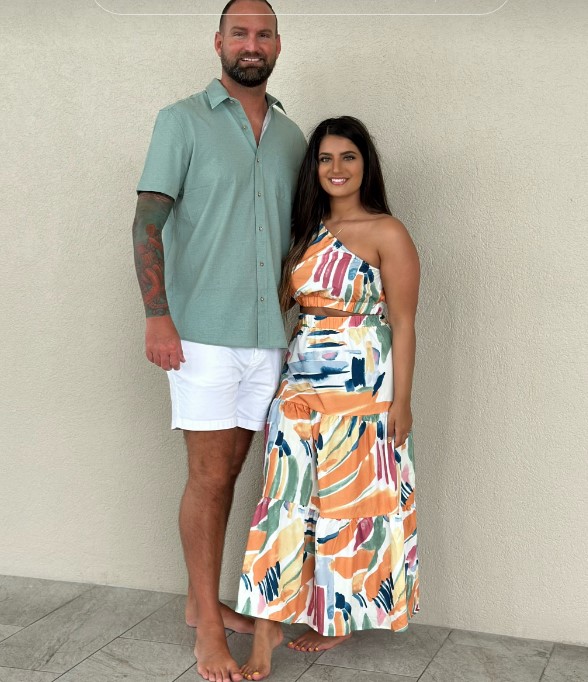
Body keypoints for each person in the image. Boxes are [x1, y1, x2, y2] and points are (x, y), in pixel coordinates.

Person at [131, 1, 306, 680]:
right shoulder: (181, 121)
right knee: (207, 477)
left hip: (269, 338)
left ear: (278, 45)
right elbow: (147, 222)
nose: (251, 44)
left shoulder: (291, 136)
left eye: (263, 34)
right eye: (240, 33)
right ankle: (207, 628)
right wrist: (158, 315)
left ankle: (198, 603)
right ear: (219, 42)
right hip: (201, 332)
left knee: (231, 473)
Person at [235, 116, 420, 680]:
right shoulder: (303, 233)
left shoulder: (388, 232)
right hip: (299, 386)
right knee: (284, 501)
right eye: (325, 159)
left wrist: (402, 402)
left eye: (348, 157)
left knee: (349, 505)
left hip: (364, 390)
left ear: (366, 165)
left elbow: (404, 324)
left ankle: (337, 618)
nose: (336, 169)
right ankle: (266, 630)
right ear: (313, 169)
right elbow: (276, 306)